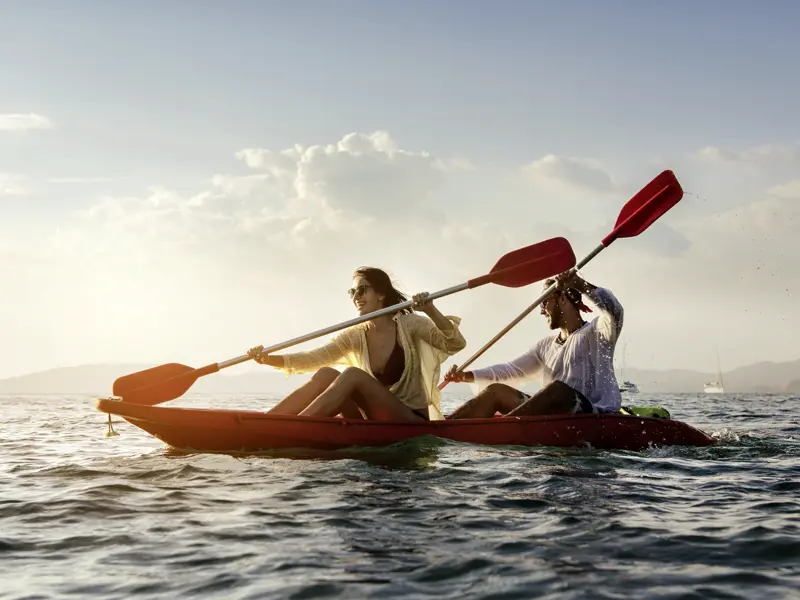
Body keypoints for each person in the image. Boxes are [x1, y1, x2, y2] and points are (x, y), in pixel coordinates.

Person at [246, 267, 467, 421]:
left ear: (381, 293)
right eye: (353, 292)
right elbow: (314, 358)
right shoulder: (355, 335)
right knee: (325, 374)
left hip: (410, 418)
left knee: (352, 374)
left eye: (362, 290)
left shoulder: (410, 324)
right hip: (373, 418)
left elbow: (454, 343)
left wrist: (430, 309)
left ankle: (293, 428)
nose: (356, 297)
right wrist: (267, 359)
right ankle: (264, 423)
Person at [444, 270, 623, 418]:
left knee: (558, 389)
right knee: (495, 391)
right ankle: (444, 428)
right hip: (557, 413)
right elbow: (510, 371)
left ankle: (506, 429)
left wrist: (578, 283)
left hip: (595, 414)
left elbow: (615, 310)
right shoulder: (544, 346)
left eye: (544, 302)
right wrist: (466, 376)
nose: (541, 311)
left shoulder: (598, 332)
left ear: (562, 299)